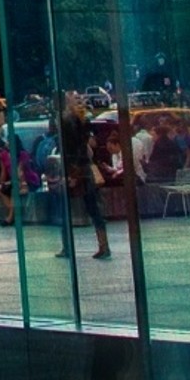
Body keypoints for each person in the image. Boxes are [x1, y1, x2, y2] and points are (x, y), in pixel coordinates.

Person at [56, 92, 111, 260]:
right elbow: (84, 144)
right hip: (83, 167)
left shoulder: (65, 120)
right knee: (93, 208)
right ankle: (103, 245)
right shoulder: (82, 120)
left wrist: (70, 171)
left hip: (73, 168)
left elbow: (70, 147)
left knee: (65, 209)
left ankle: (67, 246)